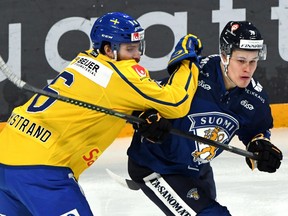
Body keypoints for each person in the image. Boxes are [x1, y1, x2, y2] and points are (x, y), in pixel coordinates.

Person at [0, 12, 201, 215]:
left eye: (139, 47)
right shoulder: (122, 74)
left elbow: (106, 96)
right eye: (130, 49)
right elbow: (178, 102)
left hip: (5, 157)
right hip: (42, 172)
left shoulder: (84, 58)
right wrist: (187, 62)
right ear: (108, 49)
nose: (137, 55)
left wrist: (142, 111)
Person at [127, 21, 283, 216]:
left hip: (197, 168)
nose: (248, 69)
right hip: (157, 164)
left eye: (253, 61)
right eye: (241, 60)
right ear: (225, 56)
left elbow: (255, 130)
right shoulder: (196, 74)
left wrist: (260, 145)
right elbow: (147, 97)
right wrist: (145, 117)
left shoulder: (255, 97)